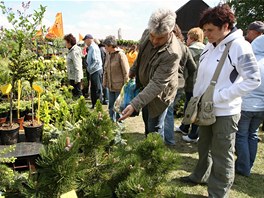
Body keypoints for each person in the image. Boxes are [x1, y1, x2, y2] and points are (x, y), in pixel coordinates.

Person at [180, 4, 260, 198]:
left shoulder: (240, 46)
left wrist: (221, 97)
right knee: (203, 146)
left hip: (225, 111)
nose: (206, 34)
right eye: (204, 30)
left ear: (225, 26)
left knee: (222, 153)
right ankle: (200, 176)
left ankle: (217, 193)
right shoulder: (210, 46)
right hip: (205, 109)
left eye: (210, 30)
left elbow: (253, 79)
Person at [119, 9, 182, 140]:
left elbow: (158, 83)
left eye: (160, 38)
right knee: (147, 122)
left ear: (170, 32)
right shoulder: (147, 33)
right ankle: (147, 149)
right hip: (144, 89)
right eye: (152, 36)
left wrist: (135, 104)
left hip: (159, 95)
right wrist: (134, 69)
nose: (154, 40)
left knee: (154, 129)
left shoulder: (173, 53)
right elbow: (141, 55)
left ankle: (155, 157)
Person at [235, 35, 264, 177]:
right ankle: (248, 165)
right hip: (261, 108)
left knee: (241, 135)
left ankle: (243, 167)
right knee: (253, 135)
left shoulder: (252, 62)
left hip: (247, 105)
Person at [164, 24, 197, 145]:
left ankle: (168, 140)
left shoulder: (168, 46)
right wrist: (183, 75)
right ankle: (168, 138)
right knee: (169, 111)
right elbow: (193, 67)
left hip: (168, 84)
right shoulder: (184, 47)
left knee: (166, 112)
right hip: (180, 84)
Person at [176, 27, 205, 143]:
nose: (187, 39)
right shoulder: (207, 50)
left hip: (191, 84)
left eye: (188, 37)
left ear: (192, 38)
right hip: (202, 84)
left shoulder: (190, 50)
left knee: (193, 108)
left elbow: (186, 70)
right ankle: (184, 127)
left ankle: (193, 134)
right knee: (192, 107)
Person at [103, 35, 129, 122]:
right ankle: (111, 122)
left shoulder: (120, 55)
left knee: (118, 107)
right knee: (111, 106)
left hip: (119, 86)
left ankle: (120, 123)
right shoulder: (108, 55)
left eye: (106, 46)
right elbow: (105, 70)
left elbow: (126, 71)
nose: (105, 48)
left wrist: (126, 85)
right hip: (110, 86)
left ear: (111, 45)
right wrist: (104, 82)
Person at [83, 34, 103, 109]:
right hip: (93, 71)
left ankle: (98, 105)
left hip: (96, 70)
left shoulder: (94, 48)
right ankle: (94, 104)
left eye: (85, 40)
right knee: (93, 88)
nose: (85, 42)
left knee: (97, 88)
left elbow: (96, 61)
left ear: (89, 39)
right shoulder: (90, 48)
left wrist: (90, 68)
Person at [64, 33, 83, 98]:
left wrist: (77, 79)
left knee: (77, 95)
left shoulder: (74, 52)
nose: (65, 44)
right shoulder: (71, 50)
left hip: (75, 78)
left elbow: (77, 65)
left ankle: (81, 107)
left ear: (69, 42)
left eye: (65, 42)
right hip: (72, 76)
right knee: (75, 95)